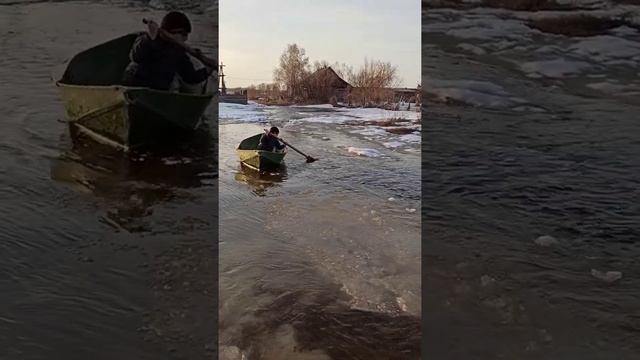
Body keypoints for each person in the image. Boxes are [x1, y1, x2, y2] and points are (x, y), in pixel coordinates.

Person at [122, 11, 215, 93]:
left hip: (158, 91)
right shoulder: (147, 40)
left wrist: (207, 70)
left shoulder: (178, 51)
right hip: (135, 85)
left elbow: (190, 77)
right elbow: (136, 56)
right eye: (184, 35)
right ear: (174, 32)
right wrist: (149, 39)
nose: (186, 39)